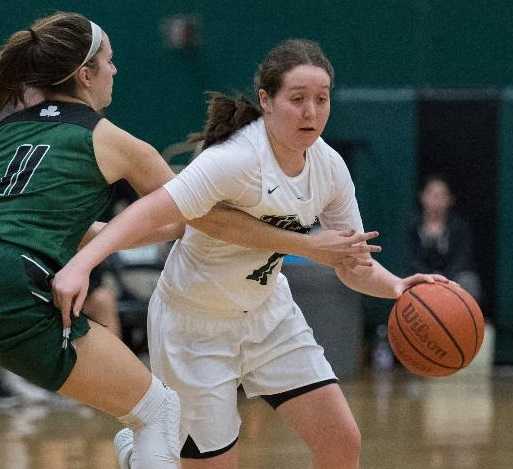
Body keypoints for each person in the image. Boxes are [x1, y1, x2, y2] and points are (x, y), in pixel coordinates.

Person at [0, 15, 379, 469]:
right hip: (40, 294)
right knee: (157, 413)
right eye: (110, 61)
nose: (116, 71)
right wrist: (310, 245)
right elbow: (196, 217)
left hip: (255, 312)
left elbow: (28, 216)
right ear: (85, 75)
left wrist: (98, 237)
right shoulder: (113, 141)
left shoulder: (8, 132)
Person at [52, 38, 448, 469]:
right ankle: (139, 453)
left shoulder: (330, 168)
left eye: (321, 99)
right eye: (297, 99)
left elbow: (351, 264)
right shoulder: (235, 159)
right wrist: (81, 263)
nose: (311, 112)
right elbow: (153, 212)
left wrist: (397, 286)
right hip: (195, 328)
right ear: (267, 100)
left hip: (268, 316)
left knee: (341, 442)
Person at [408, 174, 481, 300]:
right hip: (422, 278)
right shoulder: (413, 226)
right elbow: (410, 259)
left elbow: (463, 259)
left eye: (441, 195)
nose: (436, 199)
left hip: (452, 279)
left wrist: (444, 278)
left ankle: (466, 318)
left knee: (469, 281)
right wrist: (430, 277)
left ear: (450, 199)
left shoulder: (459, 227)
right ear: (422, 197)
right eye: (432, 194)